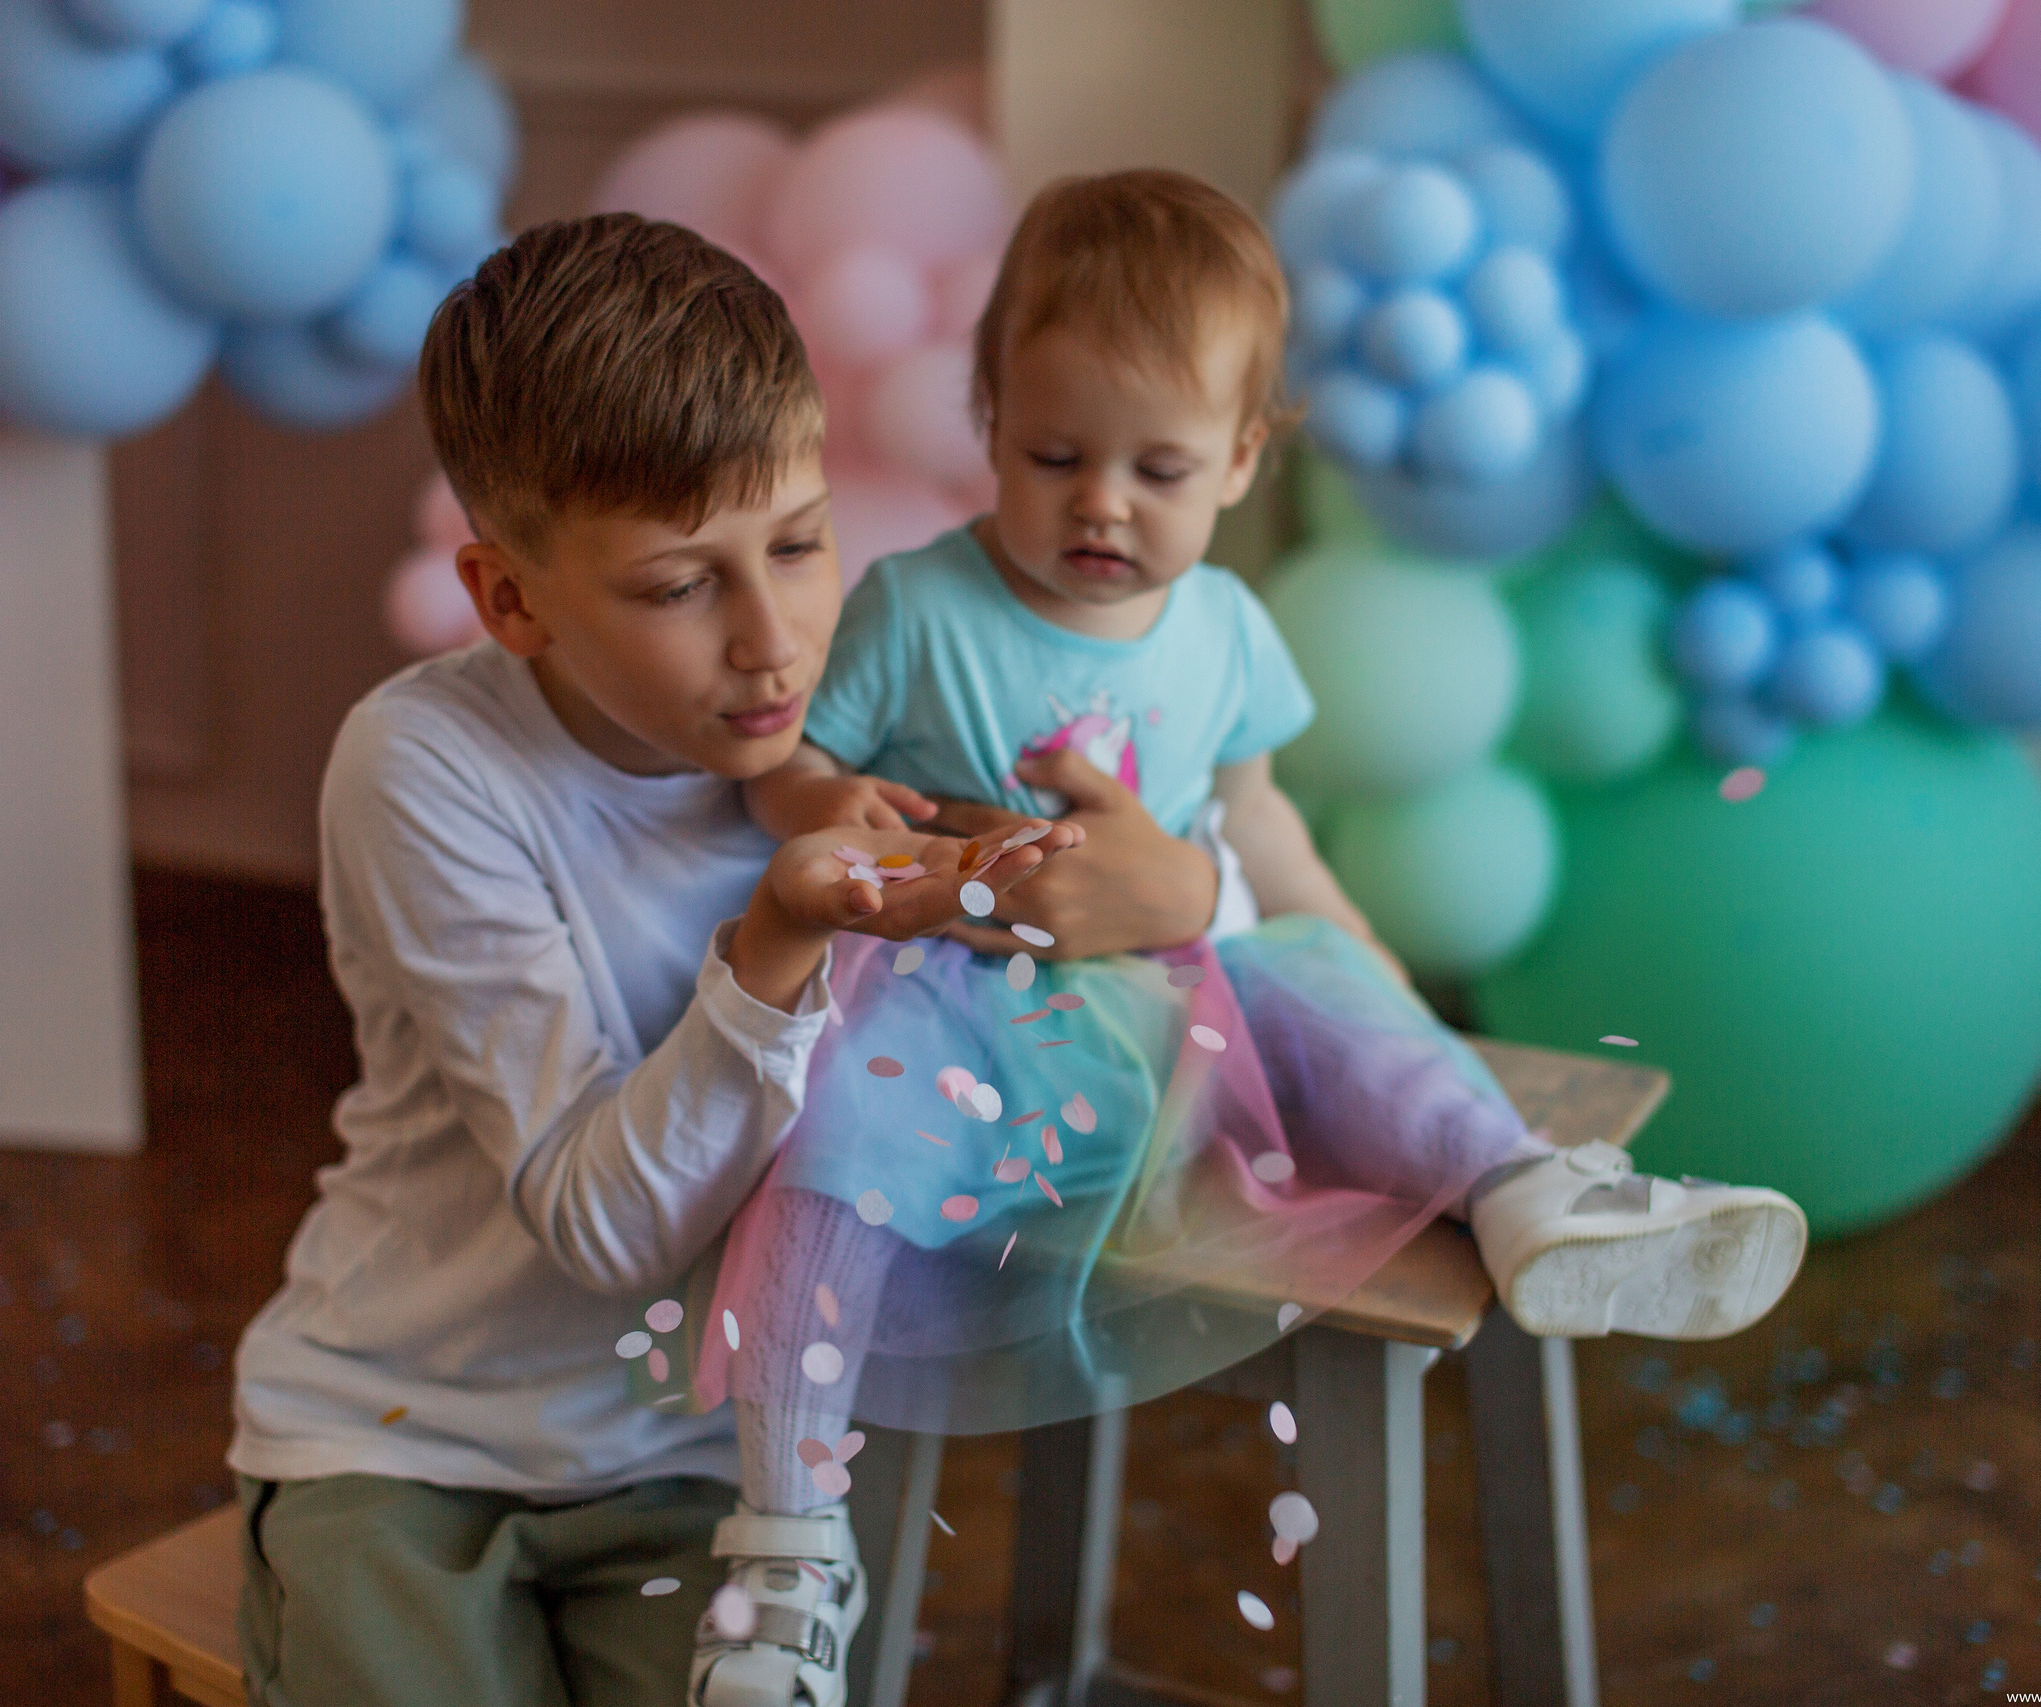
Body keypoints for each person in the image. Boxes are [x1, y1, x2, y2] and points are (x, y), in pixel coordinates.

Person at [694, 171, 1810, 1705]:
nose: (1101, 502)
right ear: (987, 413)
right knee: (834, 1143)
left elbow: (1258, 826)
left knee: (1333, 1001)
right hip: (967, 1005)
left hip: (1183, 997)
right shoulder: (920, 606)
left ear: (1240, 459)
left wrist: (1366, 962)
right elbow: (780, 770)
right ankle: (786, 1542)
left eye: (1157, 466)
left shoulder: (1222, 627)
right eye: (1053, 453)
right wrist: (835, 800)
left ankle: (1527, 1200)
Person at [223, 212, 1232, 1707]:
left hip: (714, 1467)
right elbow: (604, 1228)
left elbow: (1166, 917)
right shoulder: (426, 766)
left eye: (803, 544)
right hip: (406, 1438)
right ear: (508, 598)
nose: (774, 642)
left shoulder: (879, 708)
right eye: (680, 586)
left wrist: (1195, 884)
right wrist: (778, 941)